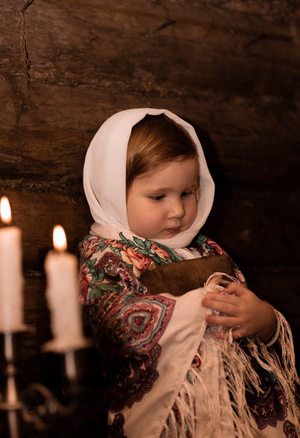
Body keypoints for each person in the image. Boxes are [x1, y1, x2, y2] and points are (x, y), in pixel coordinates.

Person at [79, 108, 299, 437]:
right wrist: (200, 306)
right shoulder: (107, 256)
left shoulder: (207, 249)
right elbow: (115, 326)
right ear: (112, 190)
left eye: (187, 193)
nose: (178, 211)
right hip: (176, 420)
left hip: (244, 416)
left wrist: (264, 319)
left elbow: (243, 312)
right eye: (158, 196)